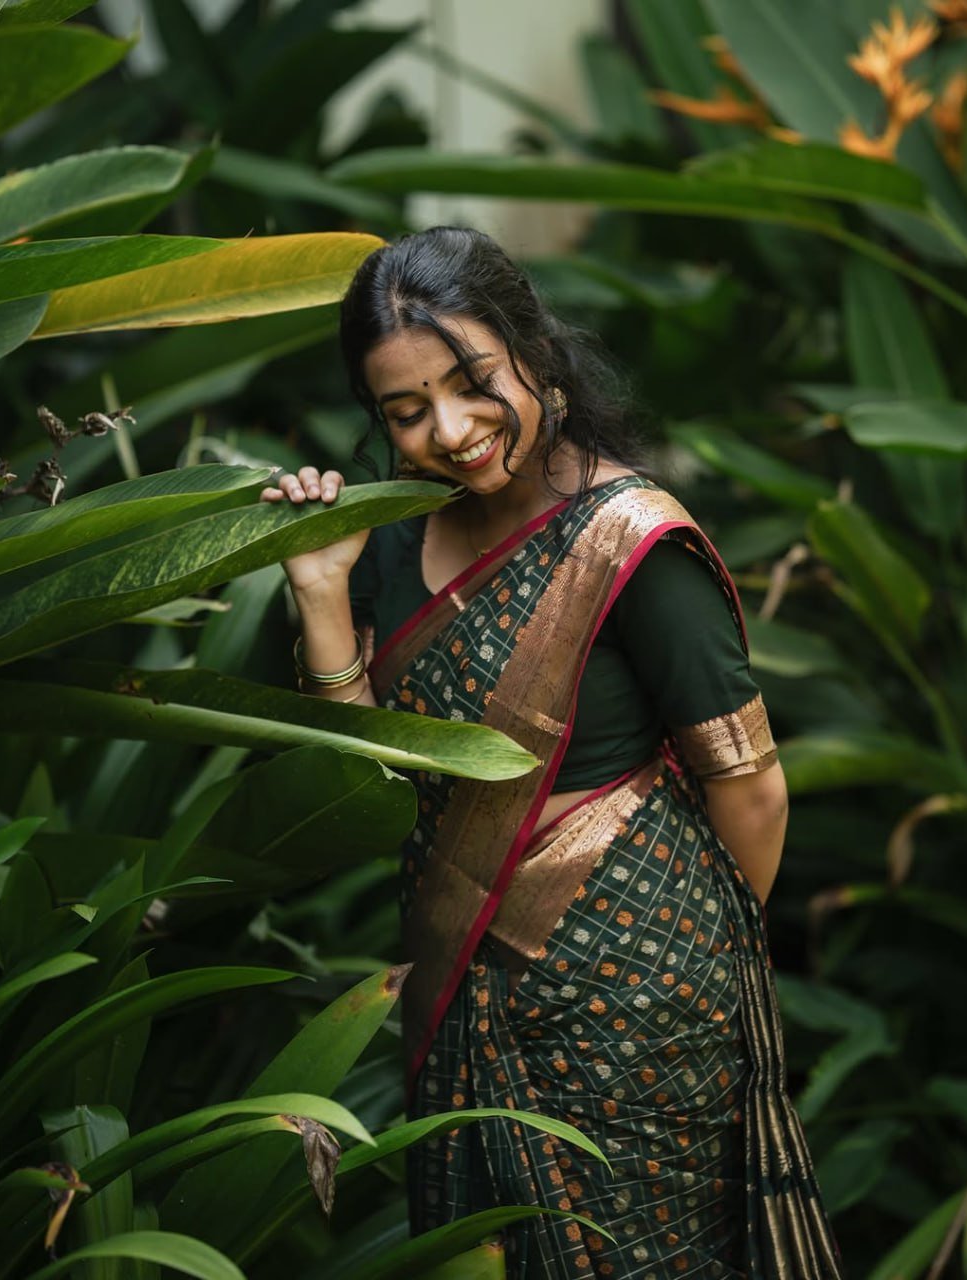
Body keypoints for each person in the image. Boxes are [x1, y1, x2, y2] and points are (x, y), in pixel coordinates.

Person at [261, 226, 842, 1278]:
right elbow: (368, 787)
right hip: (462, 979)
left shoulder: (629, 540)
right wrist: (319, 593)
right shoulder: (389, 542)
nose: (451, 429)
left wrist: (684, 960)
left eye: (473, 381)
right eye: (405, 410)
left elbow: (750, 787)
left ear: (534, 350)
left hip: (647, 1001)